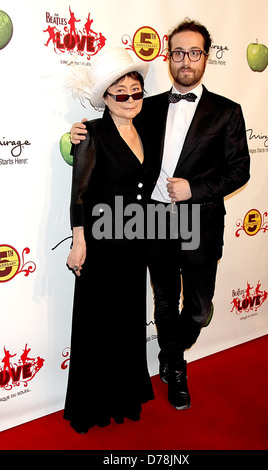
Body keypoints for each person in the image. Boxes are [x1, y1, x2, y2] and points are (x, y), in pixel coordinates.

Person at [70, 19, 250, 411]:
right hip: (152, 223)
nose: (186, 60)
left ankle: (169, 351)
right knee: (165, 303)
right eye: (179, 52)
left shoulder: (227, 111)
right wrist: (78, 134)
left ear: (206, 57)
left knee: (199, 309)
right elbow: (112, 130)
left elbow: (240, 171)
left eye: (195, 52)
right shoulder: (145, 106)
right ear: (169, 57)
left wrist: (195, 189)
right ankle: (176, 367)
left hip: (198, 222)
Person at [64, 47, 155, 434]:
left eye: (136, 91)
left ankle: (124, 398)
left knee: (127, 323)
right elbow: (79, 193)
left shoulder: (148, 129)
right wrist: (78, 241)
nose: (130, 99)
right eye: (121, 93)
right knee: (96, 324)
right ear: (105, 97)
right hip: (100, 246)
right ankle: (91, 406)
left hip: (135, 244)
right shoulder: (91, 133)